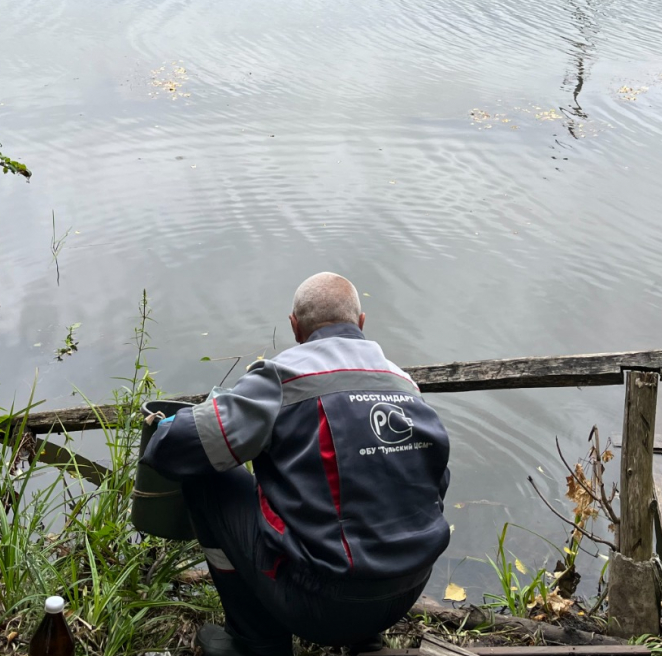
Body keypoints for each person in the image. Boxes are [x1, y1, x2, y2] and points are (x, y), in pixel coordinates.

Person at [142, 272, 452, 656]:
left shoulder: (284, 376)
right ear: (361, 322)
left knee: (207, 480)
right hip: (406, 592)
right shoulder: (405, 385)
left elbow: (173, 448)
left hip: (321, 607)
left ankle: (255, 640)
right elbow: (435, 485)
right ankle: (364, 639)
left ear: (294, 327)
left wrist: (185, 419)